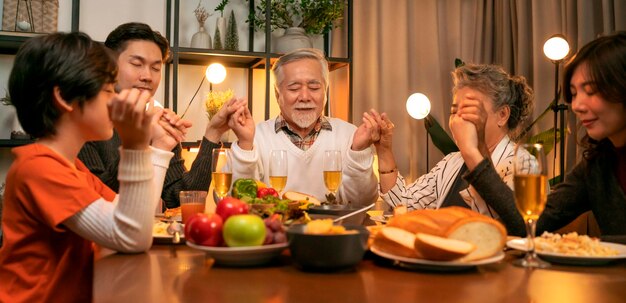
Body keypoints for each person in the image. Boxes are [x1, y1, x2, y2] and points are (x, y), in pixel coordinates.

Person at [0, 32, 173, 302]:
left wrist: (159, 148)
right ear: (65, 98)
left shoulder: (72, 167)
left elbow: (139, 217)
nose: (115, 100)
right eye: (107, 90)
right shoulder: (38, 168)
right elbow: (131, 236)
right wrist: (134, 146)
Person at [462, 32, 626, 237]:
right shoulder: (597, 165)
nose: (577, 106)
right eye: (574, 94)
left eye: (591, 91)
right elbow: (528, 222)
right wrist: (473, 153)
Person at [78, 22, 246, 209]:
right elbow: (96, 202)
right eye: (137, 64)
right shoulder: (84, 120)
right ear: (108, 65)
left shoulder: (156, 123)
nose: (147, 76)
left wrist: (213, 133)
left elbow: (181, 198)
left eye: (156, 68)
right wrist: (140, 143)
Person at [371, 63, 534, 219]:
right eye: (454, 111)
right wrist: (385, 149)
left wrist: (471, 152)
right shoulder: (451, 162)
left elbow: (511, 222)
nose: (457, 120)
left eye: (469, 109)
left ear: (502, 115)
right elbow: (404, 204)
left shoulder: (523, 163)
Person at [228, 48, 379, 206]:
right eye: (294, 88)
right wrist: (245, 145)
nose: (305, 97)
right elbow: (232, 202)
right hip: (276, 230)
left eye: (314, 88)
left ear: (325, 91)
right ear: (277, 94)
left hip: (334, 229)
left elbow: (363, 203)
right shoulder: (256, 137)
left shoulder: (348, 134)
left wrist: (358, 152)